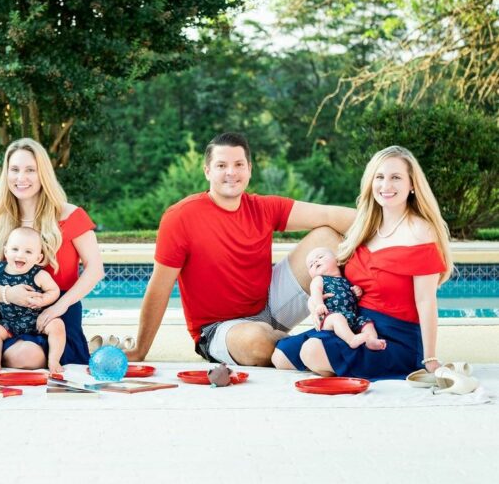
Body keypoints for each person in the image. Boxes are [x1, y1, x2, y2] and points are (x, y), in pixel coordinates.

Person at [126, 132, 356, 366]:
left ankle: (352, 325)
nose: (231, 172)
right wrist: (139, 350)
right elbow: (159, 288)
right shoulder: (180, 218)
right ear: (207, 171)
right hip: (219, 329)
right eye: (221, 165)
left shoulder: (263, 207)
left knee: (328, 237)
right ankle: (321, 346)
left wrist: (390, 228)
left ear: (249, 169)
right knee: (257, 342)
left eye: (238, 164)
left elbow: (330, 214)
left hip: (269, 305)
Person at [272, 145, 453, 379]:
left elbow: (426, 301)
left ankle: (341, 362)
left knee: (312, 351)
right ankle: (338, 360)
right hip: (354, 322)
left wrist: (430, 358)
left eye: (395, 177)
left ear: (412, 185)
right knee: (281, 356)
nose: (385, 186)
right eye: (379, 177)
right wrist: (317, 301)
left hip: (394, 336)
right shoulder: (365, 226)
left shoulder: (420, 231)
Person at [0, 138, 104, 370]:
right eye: (14, 170)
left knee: (25, 357)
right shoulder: (0, 225)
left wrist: (58, 306)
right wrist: (7, 294)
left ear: (42, 173)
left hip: (56, 312)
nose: (20, 177)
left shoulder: (69, 215)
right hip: (7, 311)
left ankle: (7, 353)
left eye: (30, 170)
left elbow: (95, 270)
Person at [0, 227, 66, 374]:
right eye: (15, 249)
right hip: (10, 321)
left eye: (28, 252)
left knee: (57, 325)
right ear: (6, 251)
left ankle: (54, 360)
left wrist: (43, 300)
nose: (20, 255)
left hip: (36, 320)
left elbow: (54, 291)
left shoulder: (39, 275)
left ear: (38, 258)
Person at [305, 247, 386, 350]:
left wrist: (357, 293)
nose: (315, 261)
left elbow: (351, 298)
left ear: (337, 261)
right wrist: (319, 304)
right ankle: (351, 340)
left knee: (366, 322)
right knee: (337, 318)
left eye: (320, 257)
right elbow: (315, 291)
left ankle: (372, 341)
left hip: (351, 316)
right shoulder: (319, 279)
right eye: (311, 265)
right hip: (329, 317)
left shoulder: (346, 280)